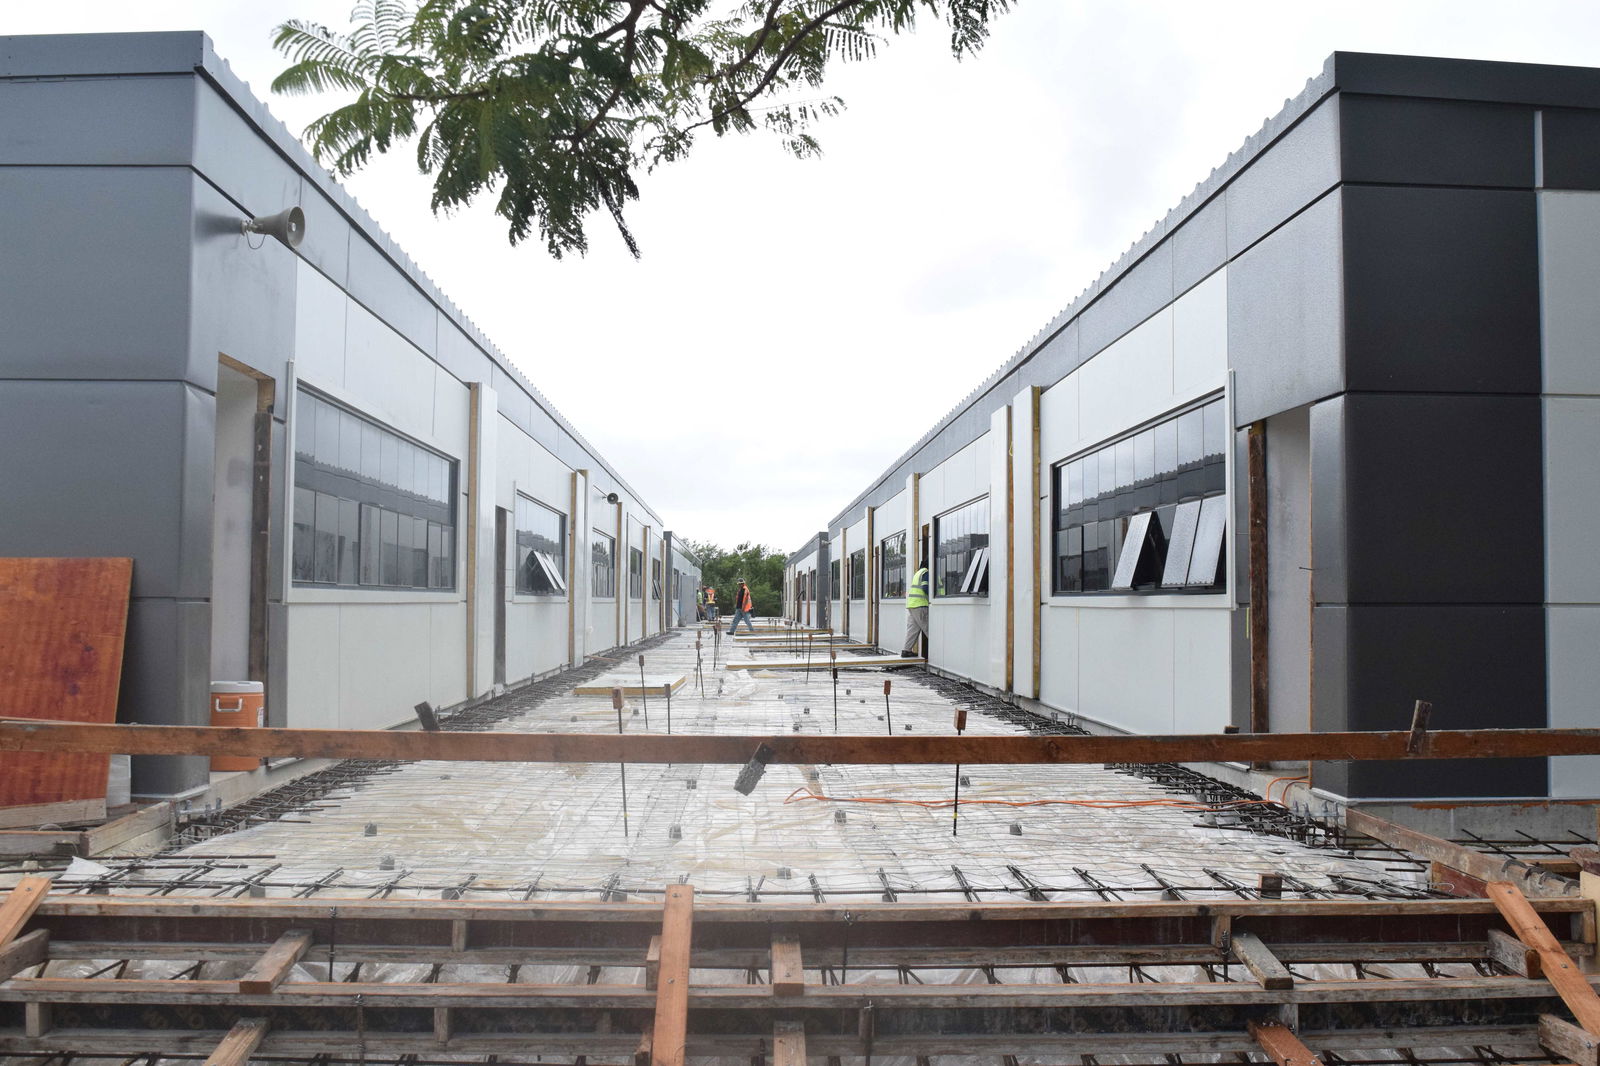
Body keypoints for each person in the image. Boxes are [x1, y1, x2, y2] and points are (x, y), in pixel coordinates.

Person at [901, 560, 929, 657]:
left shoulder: (918, 573)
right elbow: (926, 588)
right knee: (929, 628)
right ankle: (938, 652)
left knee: (912, 630)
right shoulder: (926, 573)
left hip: (912, 605)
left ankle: (906, 650)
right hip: (920, 605)